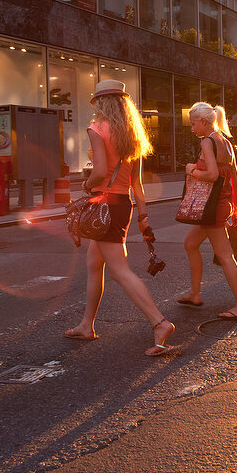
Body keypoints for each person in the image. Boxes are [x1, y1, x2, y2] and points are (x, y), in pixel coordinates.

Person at [64, 80, 177, 356]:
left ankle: (159, 322)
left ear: (101, 104)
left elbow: (101, 172)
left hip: (104, 205)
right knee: (94, 263)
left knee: (119, 269)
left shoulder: (97, 129)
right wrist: (143, 216)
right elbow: (137, 184)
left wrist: (86, 185)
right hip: (122, 204)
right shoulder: (132, 135)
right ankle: (86, 325)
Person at [176, 102, 237, 319]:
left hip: (211, 205)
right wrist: (236, 208)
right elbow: (235, 179)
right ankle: (194, 293)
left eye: (193, 124)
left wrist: (192, 170)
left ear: (203, 121)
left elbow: (211, 175)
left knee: (225, 255)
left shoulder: (208, 142)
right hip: (220, 204)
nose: (192, 129)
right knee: (190, 244)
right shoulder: (225, 142)